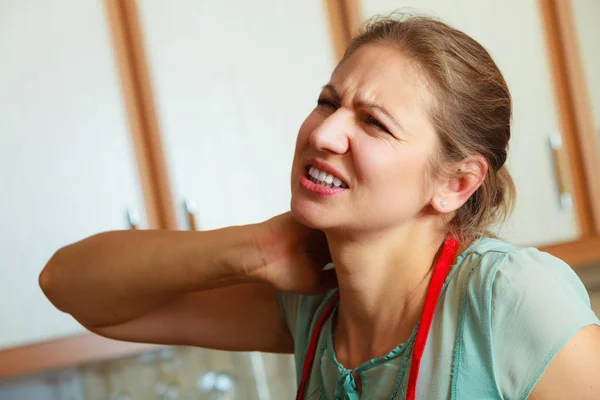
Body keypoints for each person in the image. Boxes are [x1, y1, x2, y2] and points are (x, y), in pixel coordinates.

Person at [40, 13, 600, 399]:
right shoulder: (311, 305)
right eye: (327, 102)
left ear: (455, 183)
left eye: (374, 123)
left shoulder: (509, 299)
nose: (326, 133)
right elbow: (70, 285)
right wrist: (254, 247)